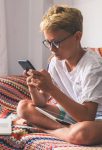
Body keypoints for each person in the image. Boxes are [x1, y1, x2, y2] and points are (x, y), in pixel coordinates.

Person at [16, 5, 102, 145]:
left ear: (77, 37)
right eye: (48, 43)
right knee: (23, 107)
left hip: (95, 119)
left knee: (83, 132)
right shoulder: (56, 62)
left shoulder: (93, 67)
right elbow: (41, 103)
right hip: (73, 116)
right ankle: (65, 131)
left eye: (56, 42)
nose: (52, 49)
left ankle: (45, 129)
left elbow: (87, 117)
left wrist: (51, 89)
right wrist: (33, 87)